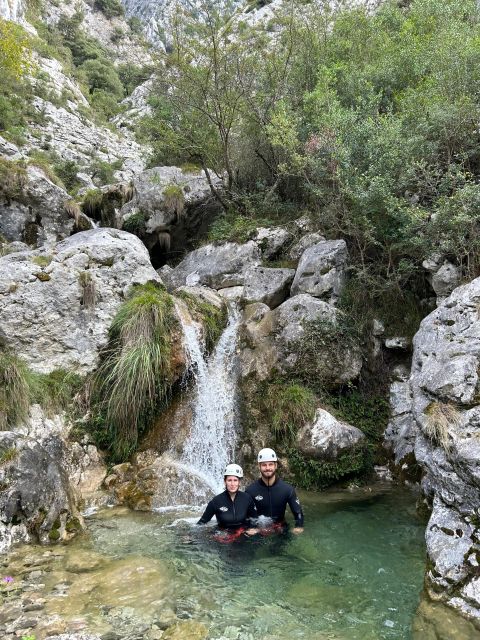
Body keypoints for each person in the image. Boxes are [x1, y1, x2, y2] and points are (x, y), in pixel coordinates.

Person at [245, 447, 304, 534]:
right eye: (264, 465)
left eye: (270, 464)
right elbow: (245, 515)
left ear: (275, 465)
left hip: (280, 528)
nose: (267, 468)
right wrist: (251, 527)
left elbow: (298, 512)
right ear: (259, 466)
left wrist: (298, 526)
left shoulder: (287, 489)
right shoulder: (250, 491)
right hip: (258, 530)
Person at [198, 464, 258, 540]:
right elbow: (201, 523)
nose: (232, 484)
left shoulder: (247, 498)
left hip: (243, 536)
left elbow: (255, 519)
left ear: (239, 482)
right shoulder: (216, 501)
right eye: (229, 480)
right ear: (225, 481)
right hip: (223, 538)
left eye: (235, 480)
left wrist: (254, 529)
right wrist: (189, 535)